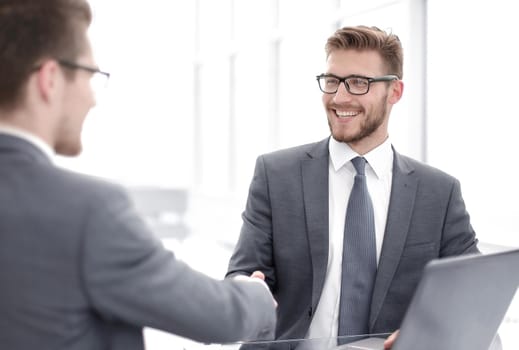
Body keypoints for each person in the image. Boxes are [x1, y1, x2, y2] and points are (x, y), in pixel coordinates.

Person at [0, 0, 276, 349]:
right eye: (91, 76)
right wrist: (256, 295)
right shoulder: (88, 211)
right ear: (50, 79)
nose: (92, 99)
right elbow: (219, 316)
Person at [226, 25, 479, 348]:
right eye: (332, 81)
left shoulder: (439, 193)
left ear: (395, 92)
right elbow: (244, 272)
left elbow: (471, 292)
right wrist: (245, 288)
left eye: (359, 83)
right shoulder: (276, 175)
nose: (339, 97)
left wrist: (428, 334)